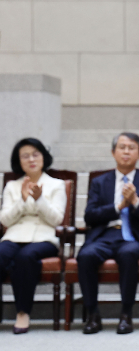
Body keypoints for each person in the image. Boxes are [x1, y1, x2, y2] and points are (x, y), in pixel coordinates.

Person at [77, 132, 139, 335]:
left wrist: (135, 202)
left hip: (131, 237)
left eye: (131, 148)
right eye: (122, 147)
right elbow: (89, 216)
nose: (126, 151)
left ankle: (126, 314)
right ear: (113, 152)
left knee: (129, 253)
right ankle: (93, 314)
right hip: (104, 236)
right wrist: (118, 207)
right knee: (85, 255)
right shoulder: (99, 181)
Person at [0, 138, 66, 334]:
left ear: (44, 158)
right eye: (25, 156)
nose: (31, 159)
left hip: (44, 238)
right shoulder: (12, 185)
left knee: (25, 257)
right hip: (14, 235)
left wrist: (39, 200)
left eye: (35, 154)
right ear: (18, 161)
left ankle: (22, 312)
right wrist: (22, 199)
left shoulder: (56, 185)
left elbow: (56, 220)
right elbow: (5, 220)